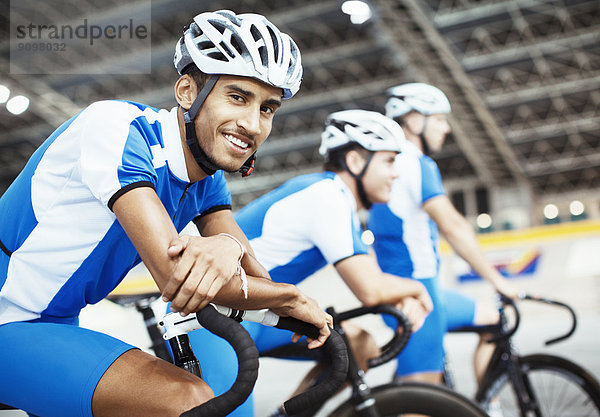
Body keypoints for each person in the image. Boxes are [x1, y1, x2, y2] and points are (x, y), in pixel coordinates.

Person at [0, 10, 332, 417]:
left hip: (53, 323)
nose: (252, 123)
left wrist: (228, 247)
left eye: (267, 108)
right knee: (184, 398)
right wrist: (293, 296)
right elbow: (177, 278)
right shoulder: (118, 127)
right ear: (188, 91)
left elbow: (252, 277)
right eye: (237, 97)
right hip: (9, 319)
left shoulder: (206, 178)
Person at [188, 109, 434, 416]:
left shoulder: (338, 201)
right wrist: (418, 290)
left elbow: (377, 279)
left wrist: (402, 293)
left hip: (254, 315)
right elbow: (371, 290)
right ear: (356, 162)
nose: (395, 173)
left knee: (358, 345)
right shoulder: (327, 196)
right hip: (213, 318)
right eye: (389, 161)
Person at [368, 82, 520, 386]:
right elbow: (453, 226)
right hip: (418, 295)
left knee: (491, 319)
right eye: (438, 119)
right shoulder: (415, 163)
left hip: (404, 292)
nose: (446, 128)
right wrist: (497, 280)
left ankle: (489, 405)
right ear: (412, 121)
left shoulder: (389, 164)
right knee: (424, 396)